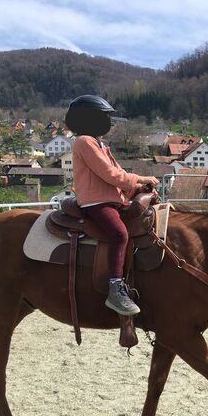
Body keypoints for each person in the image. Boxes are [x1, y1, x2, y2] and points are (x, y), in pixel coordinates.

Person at [64, 95, 159, 345]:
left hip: (111, 199)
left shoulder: (99, 144)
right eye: (104, 117)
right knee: (119, 234)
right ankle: (115, 288)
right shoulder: (84, 142)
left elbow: (118, 176)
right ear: (89, 119)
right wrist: (139, 179)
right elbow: (110, 174)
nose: (108, 122)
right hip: (96, 202)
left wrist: (136, 189)